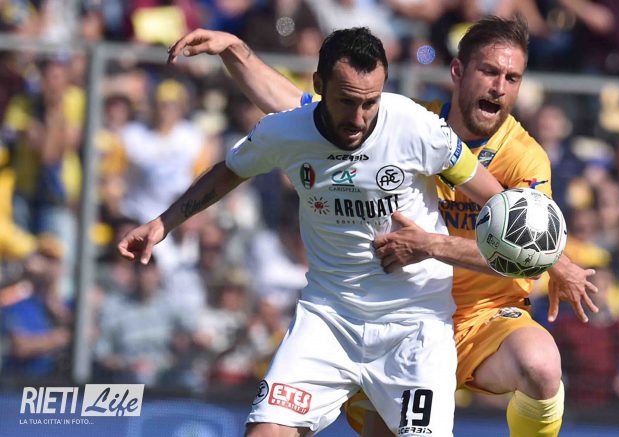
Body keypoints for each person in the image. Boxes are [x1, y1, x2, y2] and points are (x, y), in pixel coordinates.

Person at [166, 15, 598, 437]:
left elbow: (525, 256)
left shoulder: (524, 158)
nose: (499, 87)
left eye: (512, 78)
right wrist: (235, 50)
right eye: (489, 71)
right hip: (390, 309)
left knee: (541, 365)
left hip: (481, 319)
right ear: (458, 71)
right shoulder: (411, 122)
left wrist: (432, 246)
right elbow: (302, 109)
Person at [124, 27, 503, 436]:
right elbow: (230, 171)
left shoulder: (417, 128)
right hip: (328, 318)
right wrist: (164, 223)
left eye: (370, 103)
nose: (358, 118)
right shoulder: (285, 132)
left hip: (415, 324)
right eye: (347, 102)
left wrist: (439, 245)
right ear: (319, 85)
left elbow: (499, 204)